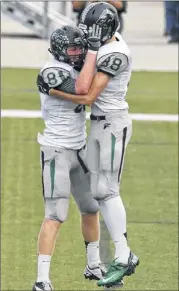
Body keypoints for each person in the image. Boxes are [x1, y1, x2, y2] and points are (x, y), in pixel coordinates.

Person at [37, 2, 139, 289]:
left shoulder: (115, 52)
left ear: (104, 30)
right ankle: (112, 256)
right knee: (96, 194)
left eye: (89, 35)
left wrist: (56, 90)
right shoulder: (92, 51)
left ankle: (122, 254)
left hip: (110, 122)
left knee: (105, 191)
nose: (81, 48)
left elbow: (86, 94)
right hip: (90, 129)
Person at [33, 24, 106, 291]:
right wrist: (93, 53)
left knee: (91, 208)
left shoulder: (76, 64)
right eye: (73, 49)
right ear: (59, 50)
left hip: (79, 149)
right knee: (55, 215)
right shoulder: (51, 70)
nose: (77, 54)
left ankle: (93, 264)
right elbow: (82, 88)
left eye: (80, 49)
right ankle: (42, 279)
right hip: (56, 151)